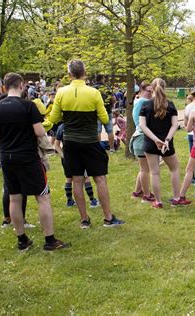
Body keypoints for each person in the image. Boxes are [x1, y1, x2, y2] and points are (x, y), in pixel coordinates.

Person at [0, 72, 70, 251]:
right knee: (42, 197)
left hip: (7, 157)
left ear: (4, 87)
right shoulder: (28, 106)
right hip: (28, 157)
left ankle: (22, 240)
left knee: (14, 198)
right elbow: (40, 132)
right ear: (22, 86)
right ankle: (50, 240)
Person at [50, 60, 124, 228]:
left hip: (70, 142)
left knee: (77, 180)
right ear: (85, 73)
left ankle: (84, 220)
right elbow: (105, 118)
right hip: (90, 141)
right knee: (100, 178)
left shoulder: (61, 92)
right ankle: (108, 218)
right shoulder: (93, 93)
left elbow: (54, 119)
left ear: (69, 74)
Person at [139, 78, 185, 208]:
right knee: (174, 169)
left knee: (155, 173)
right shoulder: (170, 105)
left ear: (152, 88)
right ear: (164, 88)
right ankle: (176, 198)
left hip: (150, 143)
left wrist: (156, 140)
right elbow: (175, 125)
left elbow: (143, 126)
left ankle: (158, 201)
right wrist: (166, 140)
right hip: (166, 144)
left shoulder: (145, 105)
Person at [54, 123, 100, 212]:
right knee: (85, 177)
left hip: (67, 157)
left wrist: (63, 156)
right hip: (80, 156)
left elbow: (56, 145)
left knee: (69, 178)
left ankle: (70, 201)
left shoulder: (61, 127)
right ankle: (92, 201)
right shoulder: (79, 125)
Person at [129, 83, 155, 202]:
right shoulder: (142, 101)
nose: (150, 93)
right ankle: (146, 195)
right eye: (148, 91)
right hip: (141, 137)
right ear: (142, 91)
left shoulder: (139, 100)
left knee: (144, 168)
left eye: (152, 91)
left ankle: (137, 191)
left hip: (141, 137)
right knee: (145, 169)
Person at [94, 74, 116, 153]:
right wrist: (111, 106)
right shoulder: (107, 88)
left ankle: (98, 149)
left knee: (97, 132)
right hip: (107, 111)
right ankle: (112, 148)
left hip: (96, 113)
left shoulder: (93, 89)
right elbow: (114, 99)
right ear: (102, 79)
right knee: (110, 131)